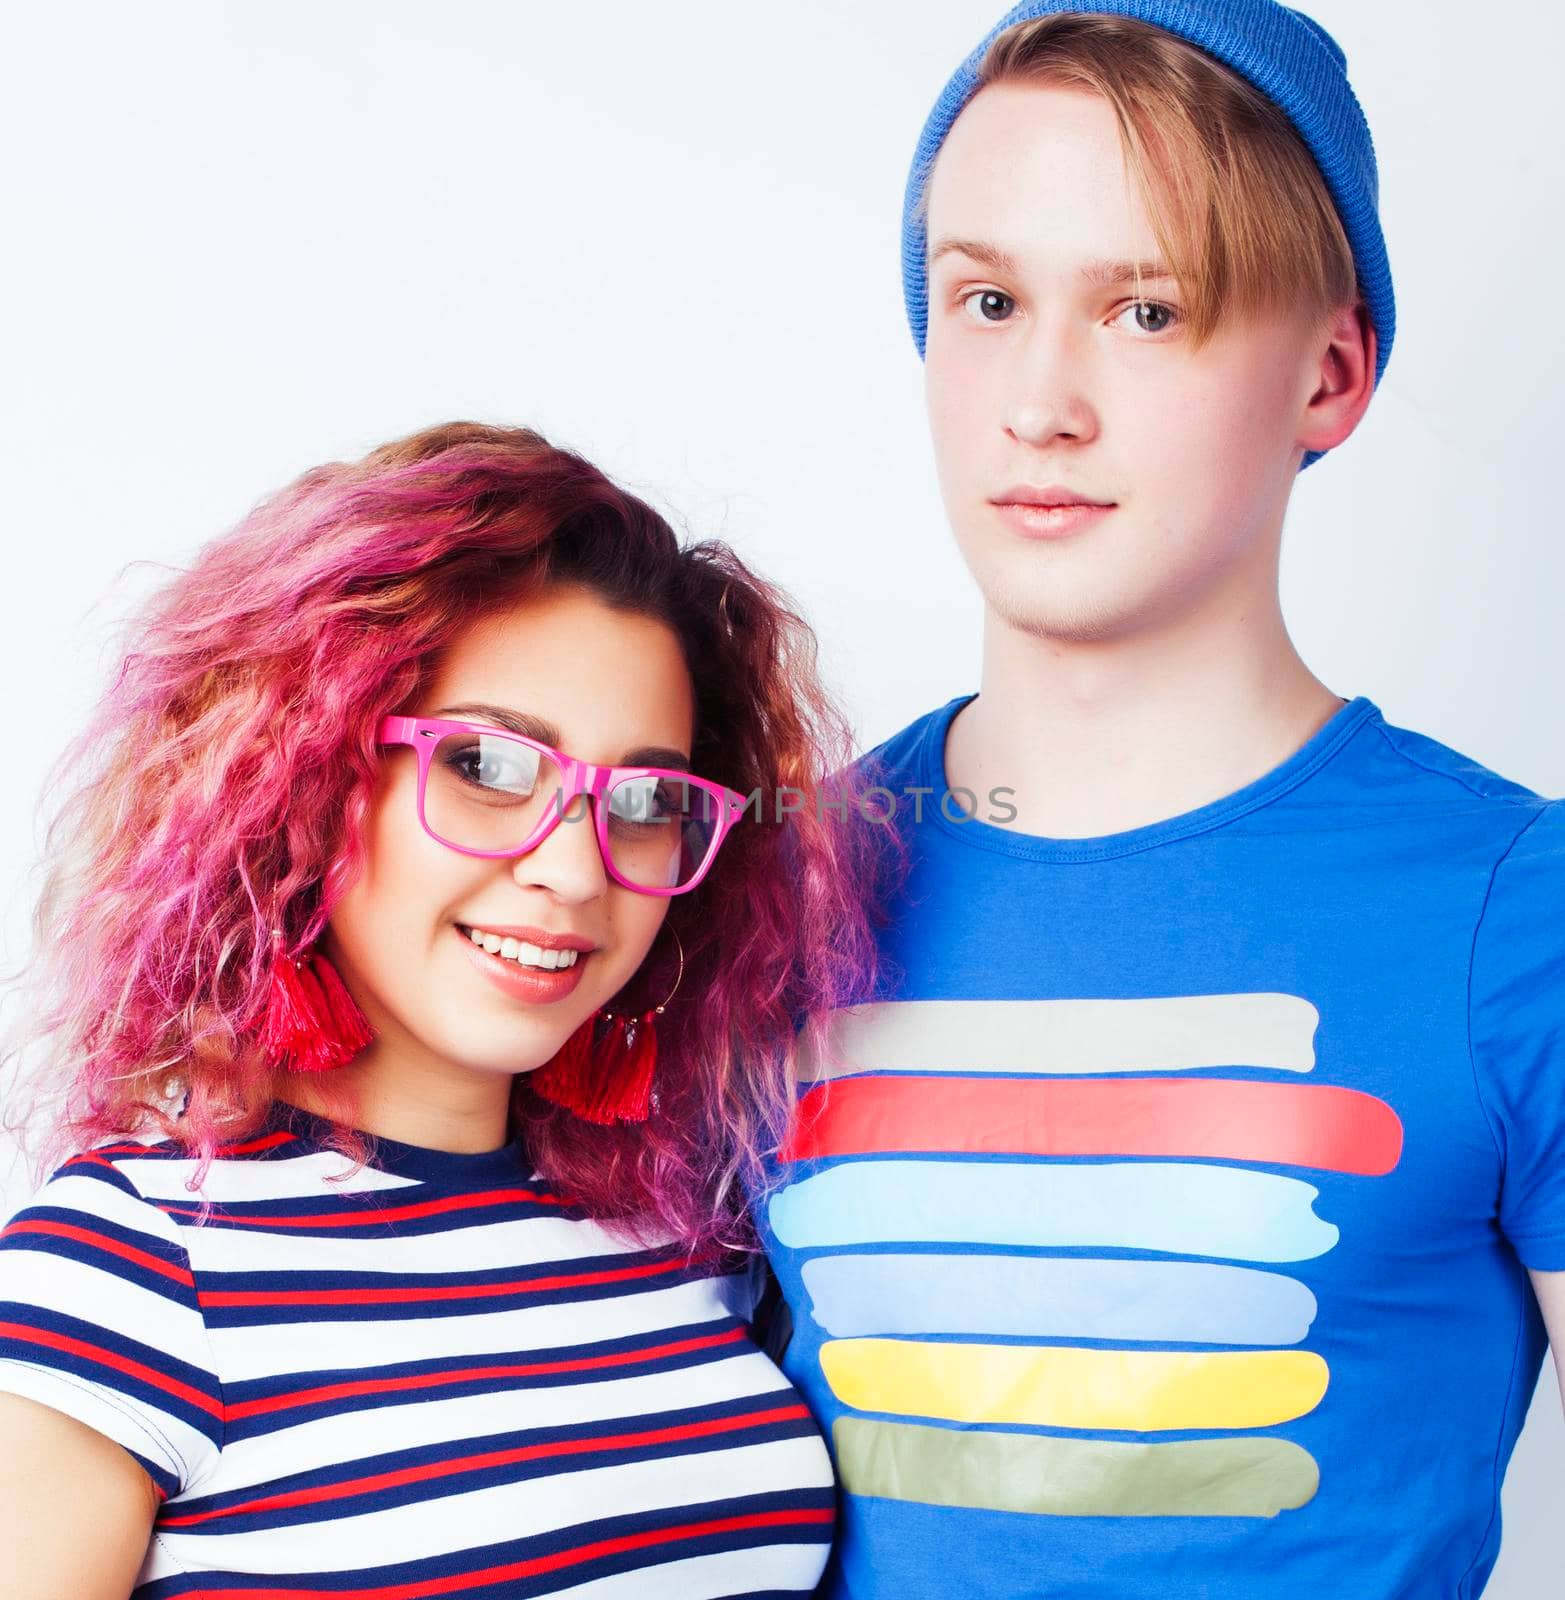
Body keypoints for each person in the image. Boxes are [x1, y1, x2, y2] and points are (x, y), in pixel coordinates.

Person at [756, 5, 1565, 1598]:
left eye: (1146, 309)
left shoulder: (1514, 910)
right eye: (985, 299)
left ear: (1328, 375)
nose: (1039, 400)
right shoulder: (767, 883)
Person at [0, 421, 881, 1598]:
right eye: (484, 766)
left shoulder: (688, 1238)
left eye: (648, 795)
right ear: (307, 780)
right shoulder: (131, 1269)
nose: (575, 869)